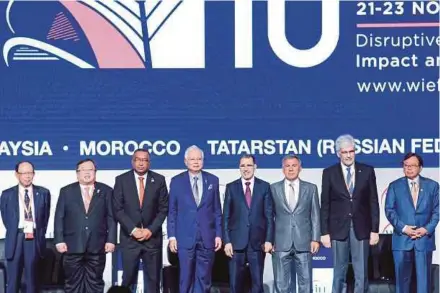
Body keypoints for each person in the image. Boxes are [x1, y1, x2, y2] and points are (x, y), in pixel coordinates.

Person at [320, 134, 380, 293]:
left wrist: (374, 229)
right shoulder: (329, 173)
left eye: (351, 151)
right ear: (338, 153)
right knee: (339, 272)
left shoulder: (367, 171)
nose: (348, 155)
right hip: (338, 229)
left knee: (361, 273)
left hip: (361, 228)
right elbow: (325, 204)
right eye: (344, 152)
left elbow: (373, 201)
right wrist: (324, 232)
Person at [54, 159, 116, 293]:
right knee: (72, 284)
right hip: (72, 245)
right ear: (77, 173)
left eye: (90, 170)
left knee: (95, 283)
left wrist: (111, 240)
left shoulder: (106, 190)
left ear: (95, 172)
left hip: (97, 245)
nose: (87, 173)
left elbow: (111, 217)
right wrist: (59, 240)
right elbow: (59, 217)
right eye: (83, 170)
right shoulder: (66, 191)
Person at [167, 145, 222, 293]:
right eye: (192, 159)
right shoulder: (176, 181)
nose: (196, 162)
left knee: (204, 278)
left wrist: (218, 234)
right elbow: (172, 211)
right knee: (185, 277)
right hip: (184, 237)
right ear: (185, 161)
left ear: (203, 161)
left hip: (207, 237)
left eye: (199, 159)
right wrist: (172, 236)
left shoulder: (213, 180)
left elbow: (217, 210)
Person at [113, 149, 169, 293]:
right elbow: (118, 209)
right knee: (127, 280)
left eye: (145, 160)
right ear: (133, 161)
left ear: (149, 163)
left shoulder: (159, 180)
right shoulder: (121, 180)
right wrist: (133, 230)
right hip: (130, 239)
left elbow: (163, 209)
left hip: (152, 239)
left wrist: (150, 230)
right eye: (138, 159)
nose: (141, 163)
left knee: (153, 280)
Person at [385, 152, 439, 293]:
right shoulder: (394, 186)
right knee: (402, 283)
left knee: (423, 283)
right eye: (405, 165)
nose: (408, 168)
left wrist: (426, 229)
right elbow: (389, 211)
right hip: (402, 240)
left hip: (424, 239)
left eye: (412, 165)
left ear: (420, 167)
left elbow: (437, 211)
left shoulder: (432, 186)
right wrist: (404, 228)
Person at [223, 154, 273, 293]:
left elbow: (269, 216)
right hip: (235, 244)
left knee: (257, 285)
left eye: (249, 165)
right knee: (235, 285)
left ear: (255, 167)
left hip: (257, 244)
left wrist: (269, 240)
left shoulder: (264, 187)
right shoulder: (231, 187)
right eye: (243, 165)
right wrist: (226, 241)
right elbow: (225, 217)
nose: (246, 168)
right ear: (239, 167)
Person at [270, 154, 320, 293]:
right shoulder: (273, 188)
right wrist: (269, 239)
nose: (290, 169)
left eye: (294, 165)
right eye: (287, 166)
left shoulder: (311, 188)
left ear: (300, 168)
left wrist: (315, 238)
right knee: (281, 284)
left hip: (304, 241)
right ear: (282, 169)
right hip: (280, 242)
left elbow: (315, 215)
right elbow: (269, 217)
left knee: (305, 283)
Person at [0, 161, 51, 293]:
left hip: (34, 238)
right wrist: (18, 230)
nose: (27, 176)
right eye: (24, 173)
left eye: (30, 173)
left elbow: (45, 218)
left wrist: (37, 232)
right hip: (15, 237)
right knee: (12, 281)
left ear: (33, 174)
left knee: (32, 280)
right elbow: (6, 219)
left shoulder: (44, 193)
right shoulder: (7, 194)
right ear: (17, 175)